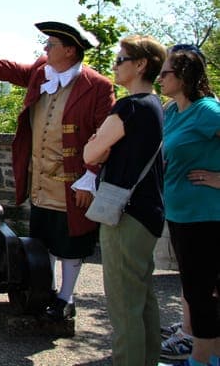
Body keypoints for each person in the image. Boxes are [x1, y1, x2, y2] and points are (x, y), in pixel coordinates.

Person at [0, 20, 115, 321]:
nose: (45, 48)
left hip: (73, 178)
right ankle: (48, 290)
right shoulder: (43, 71)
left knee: (71, 241)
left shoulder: (97, 86)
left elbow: (106, 134)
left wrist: (91, 176)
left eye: (51, 44)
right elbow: (10, 69)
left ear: (70, 50)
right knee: (45, 238)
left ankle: (66, 298)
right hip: (41, 175)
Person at [83, 35, 166, 365]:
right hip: (149, 211)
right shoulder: (156, 106)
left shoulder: (129, 107)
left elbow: (90, 153)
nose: (115, 66)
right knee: (143, 298)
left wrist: (98, 145)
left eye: (120, 60)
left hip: (125, 214)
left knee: (123, 305)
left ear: (141, 64)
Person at [158, 44, 220, 366]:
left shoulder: (208, 111)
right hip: (180, 215)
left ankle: (199, 360)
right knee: (198, 290)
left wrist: (219, 178)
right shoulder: (171, 111)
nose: (160, 78)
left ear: (183, 75)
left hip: (207, 216)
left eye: (165, 73)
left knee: (200, 294)